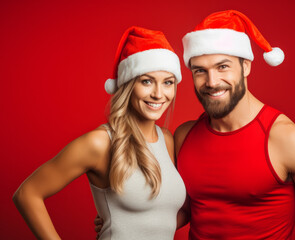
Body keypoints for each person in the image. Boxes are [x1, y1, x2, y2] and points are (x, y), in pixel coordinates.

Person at [173, 10, 295, 239]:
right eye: (200, 70)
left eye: (223, 67)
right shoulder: (185, 135)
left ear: (246, 67)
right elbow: (185, 209)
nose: (212, 82)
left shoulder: (286, 139)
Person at [13, 26, 186, 240]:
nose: (159, 94)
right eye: (147, 81)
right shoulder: (101, 142)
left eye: (168, 82)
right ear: (128, 85)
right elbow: (27, 194)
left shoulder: (166, 140)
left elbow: (165, 216)